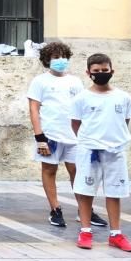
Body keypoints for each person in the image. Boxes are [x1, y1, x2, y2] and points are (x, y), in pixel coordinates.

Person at [27, 41, 106, 228]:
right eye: (55, 57)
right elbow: (33, 108)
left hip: (74, 136)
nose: (60, 60)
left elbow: (83, 107)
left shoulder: (75, 81)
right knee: (49, 170)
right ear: (47, 60)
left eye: (63, 56)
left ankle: (85, 210)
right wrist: (40, 137)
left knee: (78, 171)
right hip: (50, 135)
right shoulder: (40, 81)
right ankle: (55, 209)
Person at [71, 53, 131, 252]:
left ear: (112, 71)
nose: (101, 74)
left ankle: (116, 234)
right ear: (88, 73)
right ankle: (85, 231)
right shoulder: (81, 97)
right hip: (89, 150)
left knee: (114, 192)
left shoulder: (123, 97)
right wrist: (90, 141)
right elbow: (76, 124)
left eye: (104, 71)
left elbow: (125, 122)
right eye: (96, 71)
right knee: (85, 191)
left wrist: (113, 140)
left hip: (115, 151)